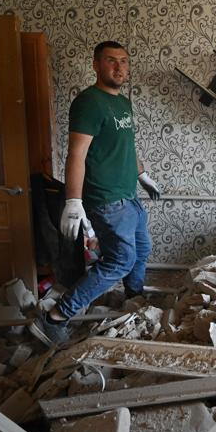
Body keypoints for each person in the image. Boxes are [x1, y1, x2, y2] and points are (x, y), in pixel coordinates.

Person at [31, 41, 160, 346]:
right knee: (121, 258)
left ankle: (133, 300)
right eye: (111, 61)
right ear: (96, 65)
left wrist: (141, 173)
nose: (119, 67)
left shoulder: (122, 103)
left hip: (128, 195)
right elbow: (76, 154)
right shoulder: (89, 102)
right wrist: (74, 202)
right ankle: (56, 317)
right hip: (106, 199)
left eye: (124, 61)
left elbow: (125, 146)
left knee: (141, 249)